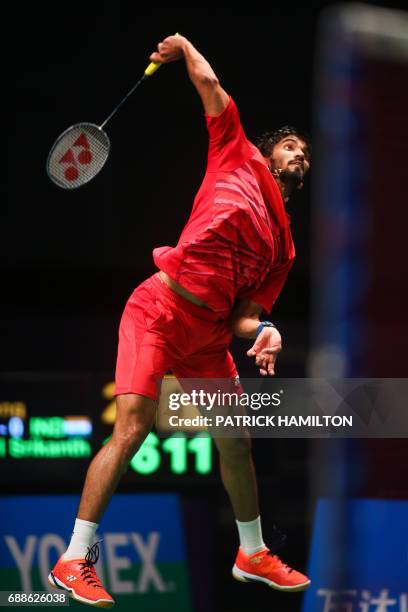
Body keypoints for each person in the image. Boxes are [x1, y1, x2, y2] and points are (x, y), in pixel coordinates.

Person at [49, 34, 311, 607]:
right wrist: (184, 47)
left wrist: (265, 331)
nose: (300, 154)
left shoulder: (284, 249)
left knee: (236, 442)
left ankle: (251, 552)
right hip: (160, 308)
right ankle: (73, 560)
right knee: (134, 427)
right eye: (291, 146)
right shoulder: (235, 152)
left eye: (305, 153)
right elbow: (210, 86)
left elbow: (247, 318)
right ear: (269, 155)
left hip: (210, 335)